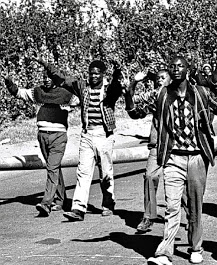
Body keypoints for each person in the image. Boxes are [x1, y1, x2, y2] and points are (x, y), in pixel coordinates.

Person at [129, 56, 217, 265]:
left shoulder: (200, 93)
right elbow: (135, 112)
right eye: (173, 66)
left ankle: (195, 246)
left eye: (181, 66)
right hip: (172, 158)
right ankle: (164, 253)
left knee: (195, 206)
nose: (176, 69)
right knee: (172, 206)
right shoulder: (161, 94)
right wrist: (131, 86)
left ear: (188, 69)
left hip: (197, 157)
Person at [36, 58, 124, 221]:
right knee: (83, 171)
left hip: (104, 135)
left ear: (103, 74)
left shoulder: (108, 90)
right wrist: (45, 64)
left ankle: (108, 203)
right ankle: (78, 208)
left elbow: (117, 88)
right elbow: (62, 78)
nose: (94, 76)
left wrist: (117, 71)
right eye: (91, 73)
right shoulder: (83, 87)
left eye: (97, 73)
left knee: (106, 172)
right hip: (87, 134)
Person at [1, 68, 77, 216]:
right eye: (44, 77)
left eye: (49, 77)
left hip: (58, 137)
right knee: (52, 168)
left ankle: (46, 203)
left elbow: (83, 99)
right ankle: (61, 200)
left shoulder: (66, 94)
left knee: (52, 168)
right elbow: (19, 93)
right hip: (42, 135)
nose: (46, 79)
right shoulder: (38, 92)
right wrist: (9, 83)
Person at [124, 69, 172, 233]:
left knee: (183, 184)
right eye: (158, 78)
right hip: (157, 144)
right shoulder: (154, 96)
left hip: (177, 146)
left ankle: (191, 216)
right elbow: (133, 110)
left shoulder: (181, 93)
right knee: (150, 176)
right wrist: (134, 82)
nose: (160, 80)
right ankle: (149, 216)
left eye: (163, 77)